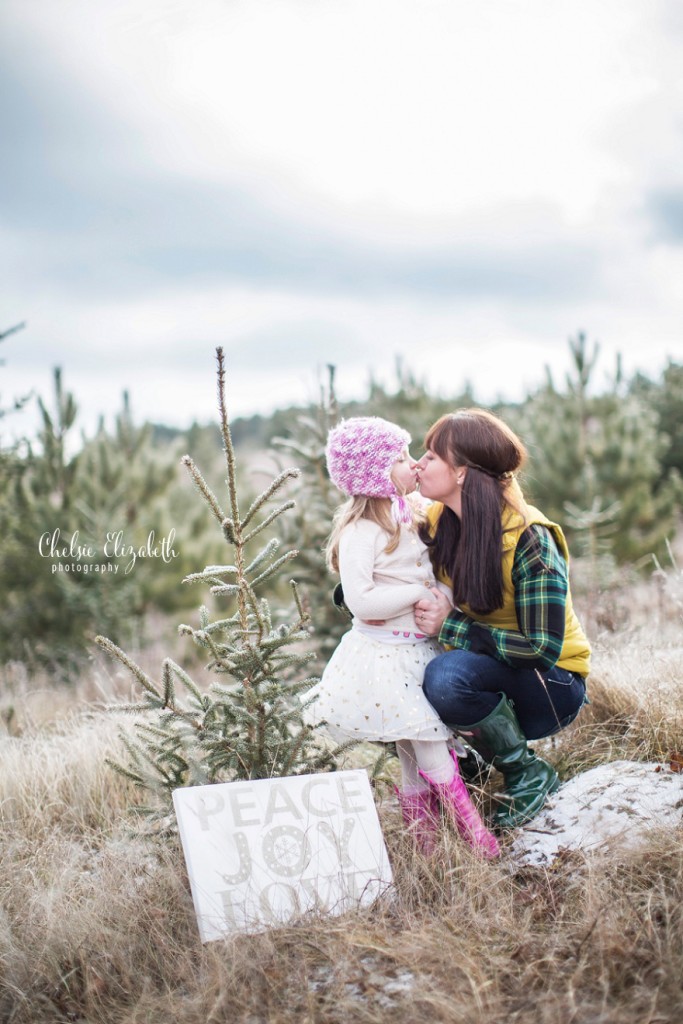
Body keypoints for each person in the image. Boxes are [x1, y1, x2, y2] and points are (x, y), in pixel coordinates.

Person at [305, 416, 499, 858]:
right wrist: (417, 593)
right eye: (400, 458)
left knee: (414, 757)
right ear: (375, 474)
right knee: (431, 750)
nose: (413, 465)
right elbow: (361, 601)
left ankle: (425, 850)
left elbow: (436, 573)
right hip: (384, 658)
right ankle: (480, 842)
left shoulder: (409, 515)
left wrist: (442, 595)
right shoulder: (361, 531)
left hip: (417, 651)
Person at [413, 408, 590, 830]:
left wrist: (449, 625)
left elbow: (541, 649)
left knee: (446, 676)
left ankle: (527, 774)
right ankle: (468, 768)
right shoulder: (440, 521)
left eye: (431, 456)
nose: (419, 464)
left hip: (553, 685)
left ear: (461, 473)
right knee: (395, 680)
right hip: (495, 672)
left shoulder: (531, 539)